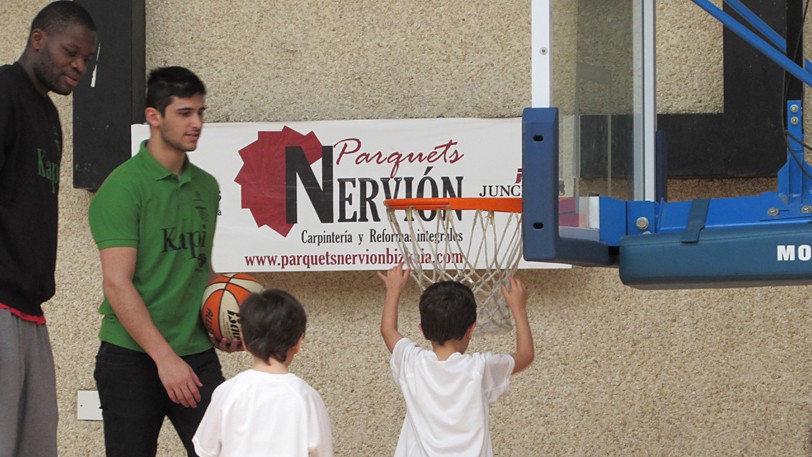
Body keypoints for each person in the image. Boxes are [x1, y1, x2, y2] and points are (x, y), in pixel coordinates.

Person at [89, 66, 239, 457]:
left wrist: (222, 318)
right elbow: (117, 284)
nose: (197, 123)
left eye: (201, 112)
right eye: (185, 113)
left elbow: (201, 268)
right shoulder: (122, 188)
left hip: (195, 352)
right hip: (131, 359)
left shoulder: (207, 186)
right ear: (154, 116)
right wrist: (164, 358)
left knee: (222, 452)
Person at [0, 2, 97, 456]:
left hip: (31, 310)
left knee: (36, 446)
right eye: (71, 51)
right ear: (39, 38)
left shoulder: (49, 115)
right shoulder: (4, 93)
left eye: (86, 59)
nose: (78, 65)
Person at [378, 264, 535, 457]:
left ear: (422, 330)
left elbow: (388, 330)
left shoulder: (412, 363)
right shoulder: (479, 369)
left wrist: (393, 290)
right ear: (471, 330)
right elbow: (526, 355)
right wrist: (519, 309)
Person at [193, 289, 334, 457]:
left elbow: (206, 450)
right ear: (298, 342)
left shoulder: (228, 391)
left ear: (244, 341)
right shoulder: (307, 397)